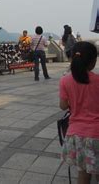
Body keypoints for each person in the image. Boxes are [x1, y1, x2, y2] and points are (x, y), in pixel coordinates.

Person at [59, 41, 99, 183]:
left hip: (76, 136)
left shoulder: (65, 80)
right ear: (93, 61)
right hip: (96, 134)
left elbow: (63, 106)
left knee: (83, 173)